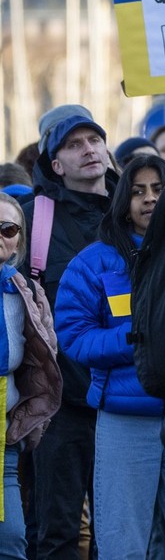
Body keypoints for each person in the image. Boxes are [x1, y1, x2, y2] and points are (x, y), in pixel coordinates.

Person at [54, 155, 165, 559]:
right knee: (122, 546)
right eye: (137, 191)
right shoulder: (93, 263)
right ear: (122, 201)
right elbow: (75, 339)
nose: (149, 199)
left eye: (158, 189)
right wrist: (138, 337)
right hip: (124, 421)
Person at [21, 113, 118, 559]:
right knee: (57, 533)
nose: (90, 149)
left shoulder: (134, 206)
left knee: (118, 536)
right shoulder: (33, 221)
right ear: (55, 164)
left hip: (125, 399)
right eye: (75, 144)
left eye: (94, 139)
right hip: (60, 406)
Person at [0, 192, 61, 559]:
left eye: (8, 229)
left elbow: (43, 363)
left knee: (11, 543)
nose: (0, 236)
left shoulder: (25, 291)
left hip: (3, 435)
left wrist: (30, 420)